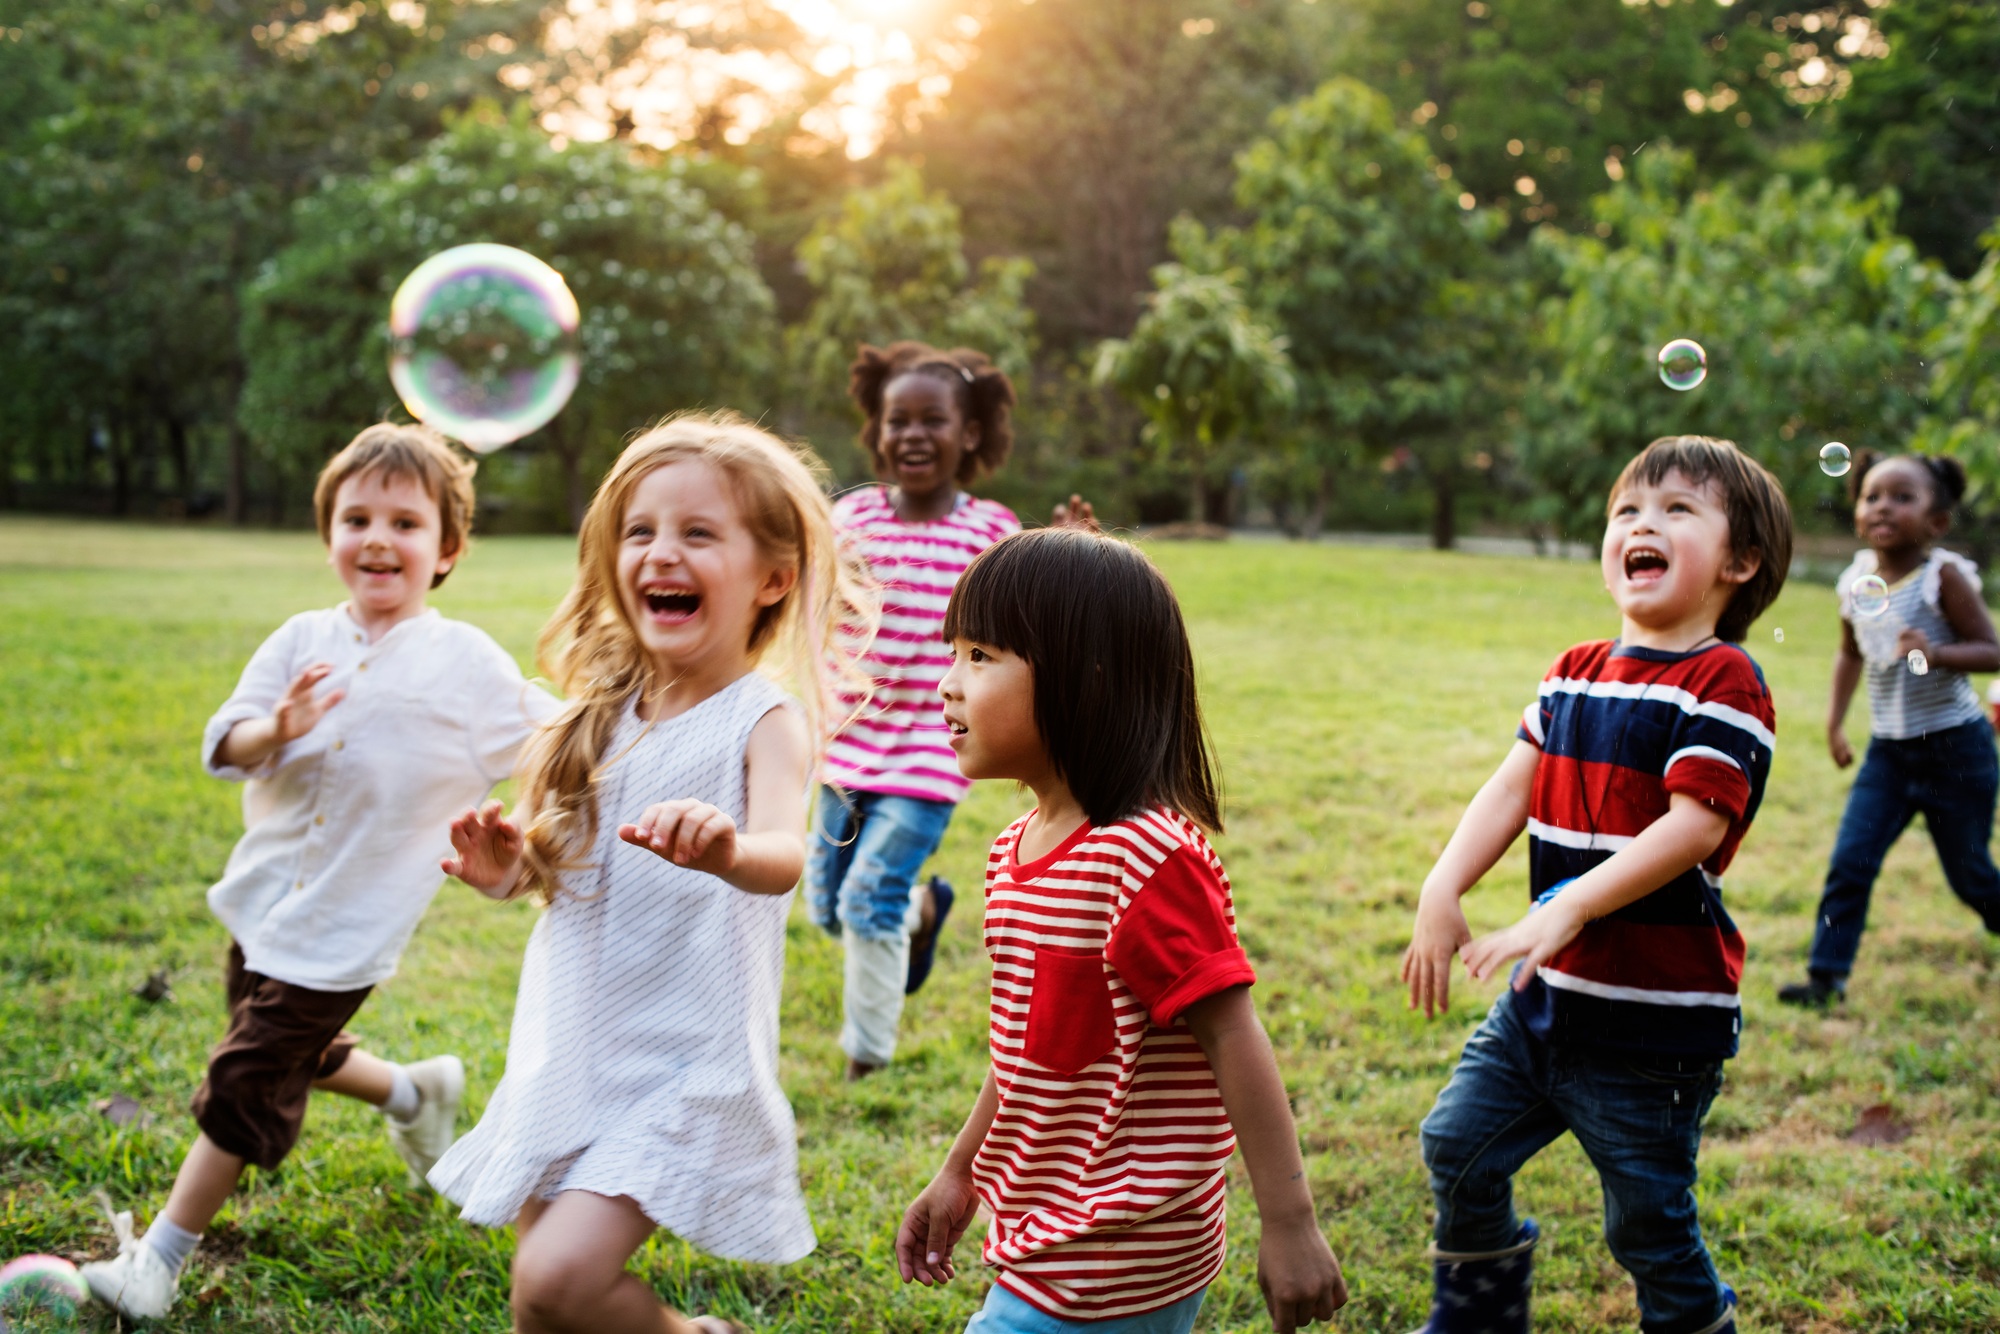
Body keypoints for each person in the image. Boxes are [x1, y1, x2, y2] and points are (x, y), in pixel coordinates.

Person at [82, 424, 558, 1321]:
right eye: (357, 517)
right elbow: (226, 743)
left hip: (348, 925)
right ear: (329, 532)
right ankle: (416, 1089)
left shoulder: (464, 666)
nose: (378, 538)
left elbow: (552, 730)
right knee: (285, 1049)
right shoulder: (301, 637)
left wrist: (641, 725)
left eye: (406, 523)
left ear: (447, 549)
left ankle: (160, 1259)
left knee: (244, 1078)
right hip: (264, 903)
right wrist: (282, 727)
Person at [426, 413, 871, 1334]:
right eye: (641, 531)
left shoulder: (765, 719)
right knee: (537, 1306)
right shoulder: (595, 718)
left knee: (556, 1280)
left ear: (773, 579)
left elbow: (784, 856)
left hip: (682, 1060)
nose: (662, 553)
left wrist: (727, 851)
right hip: (574, 1044)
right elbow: (565, 874)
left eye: (698, 533)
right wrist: (508, 872)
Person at [895, 528, 1348, 1334]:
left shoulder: (1144, 859)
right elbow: (1033, 1048)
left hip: (1113, 1250)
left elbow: (1233, 1035)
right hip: (1049, 1232)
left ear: (1083, 681)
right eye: (952, 651)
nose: (948, 684)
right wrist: (961, 1172)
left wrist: (1290, 1224)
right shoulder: (1015, 851)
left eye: (980, 656)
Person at [1398, 436, 1791, 1334]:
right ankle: (1482, 1315)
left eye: (1677, 510)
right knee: (1457, 1148)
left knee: (1646, 1226)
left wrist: (1569, 903)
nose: (1642, 523)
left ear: (1739, 562)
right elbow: (1511, 787)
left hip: (1651, 1026)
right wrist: (1442, 883)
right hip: (1544, 1006)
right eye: (1628, 511)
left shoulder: (1724, 682)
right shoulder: (1573, 669)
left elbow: (1697, 824)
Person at [814, 340, 1094, 1080]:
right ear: (875, 430)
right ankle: (921, 913)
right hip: (843, 744)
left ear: (968, 433)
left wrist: (1067, 555)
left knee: (865, 897)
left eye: (931, 420)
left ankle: (866, 1055)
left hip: (932, 754)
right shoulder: (852, 518)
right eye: (895, 419)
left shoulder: (988, 530)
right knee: (828, 905)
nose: (911, 434)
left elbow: (1034, 600)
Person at [1778, 451, 2000, 1006]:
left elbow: (1992, 651)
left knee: (1969, 873)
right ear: (1856, 511)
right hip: (1889, 753)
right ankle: (1825, 977)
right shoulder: (1855, 582)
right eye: (1872, 496)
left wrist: (1937, 651)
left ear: (1937, 521)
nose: (1883, 507)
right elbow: (1849, 655)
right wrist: (1834, 724)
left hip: (1956, 751)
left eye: (1903, 498)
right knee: (1850, 861)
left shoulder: (1941, 577)